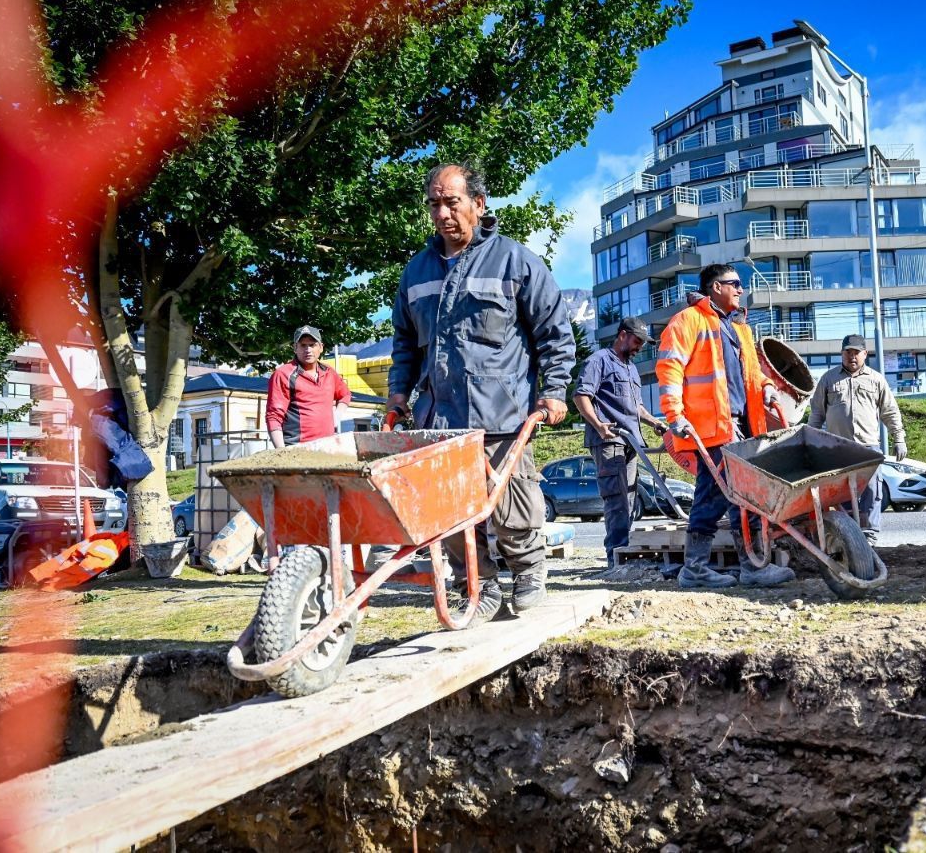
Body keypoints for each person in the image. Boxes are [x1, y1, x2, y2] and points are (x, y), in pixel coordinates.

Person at [386, 162, 575, 624]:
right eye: (435, 204)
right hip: (438, 416)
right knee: (450, 513)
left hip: (501, 411)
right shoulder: (416, 271)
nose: (443, 213)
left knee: (511, 505)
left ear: (478, 203)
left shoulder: (515, 261)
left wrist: (553, 391)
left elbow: (554, 333)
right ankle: (478, 582)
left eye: (452, 202)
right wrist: (397, 394)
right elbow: (405, 343)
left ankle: (529, 571)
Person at [657, 263, 795, 589]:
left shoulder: (739, 327)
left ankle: (736, 566)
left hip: (740, 426)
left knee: (737, 496)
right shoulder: (688, 321)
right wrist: (674, 415)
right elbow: (670, 369)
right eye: (734, 283)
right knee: (723, 495)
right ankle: (715, 568)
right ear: (715, 287)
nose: (740, 289)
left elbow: (749, 373)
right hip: (712, 427)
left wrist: (766, 386)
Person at [573, 316, 668, 566]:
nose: (640, 347)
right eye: (637, 340)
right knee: (616, 499)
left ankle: (624, 553)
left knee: (629, 499)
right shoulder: (599, 361)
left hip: (631, 443)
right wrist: (599, 425)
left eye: (643, 343)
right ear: (623, 335)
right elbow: (581, 396)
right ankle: (615, 556)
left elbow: (635, 406)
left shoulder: (631, 368)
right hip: (609, 441)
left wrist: (654, 422)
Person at [807, 333, 907, 544]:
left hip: (868, 446)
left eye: (856, 353)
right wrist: (808, 441)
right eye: (847, 352)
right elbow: (816, 413)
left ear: (865, 354)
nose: (852, 357)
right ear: (842, 353)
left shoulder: (876, 379)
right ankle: (848, 535)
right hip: (837, 448)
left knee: (872, 490)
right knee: (840, 493)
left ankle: (869, 535)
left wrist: (899, 439)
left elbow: (890, 412)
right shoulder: (828, 378)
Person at [266, 325, 352, 448]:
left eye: (312, 345)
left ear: (321, 347)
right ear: (295, 348)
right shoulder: (283, 374)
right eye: (303, 345)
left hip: (327, 446)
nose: (308, 350)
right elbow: (274, 416)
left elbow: (345, 394)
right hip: (297, 447)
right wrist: (281, 452)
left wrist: (336, 416)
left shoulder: (329, 373)